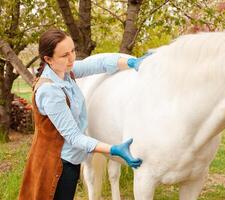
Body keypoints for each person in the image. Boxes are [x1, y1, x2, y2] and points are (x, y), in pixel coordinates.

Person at [18, 28, 145, 200]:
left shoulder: (65, 72)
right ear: (48, 59)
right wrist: (114, 149)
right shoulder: (50, 91)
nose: (71, 58)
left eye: (73, 51)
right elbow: (74, 137)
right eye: (64, 55)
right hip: (56, 167)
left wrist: (132, 63)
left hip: (70, 160)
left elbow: (99, 63)